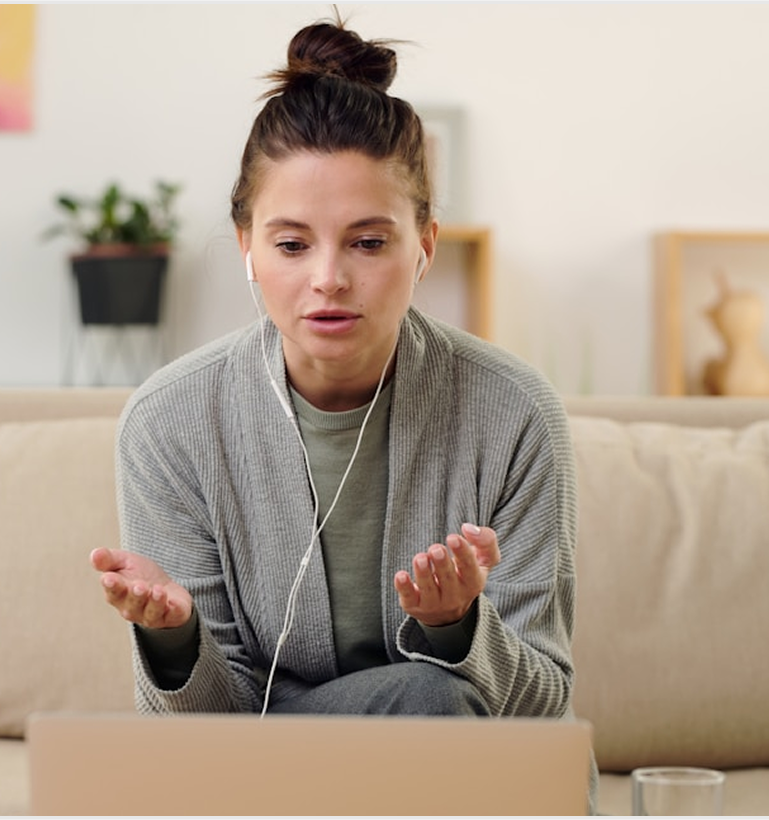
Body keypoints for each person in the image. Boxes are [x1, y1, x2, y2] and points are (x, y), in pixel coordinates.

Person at [90, 14, 591, 808]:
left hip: (460, 780)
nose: (328, 278)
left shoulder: (514, 414)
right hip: (260, 780)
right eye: (291, 245)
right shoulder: (169, 424)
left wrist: (461, 629)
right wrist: (176, 636)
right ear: (246, 246)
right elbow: (203, 737)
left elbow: (543, 710)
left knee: (434, 704)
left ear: (423, 246)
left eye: (367, 242)